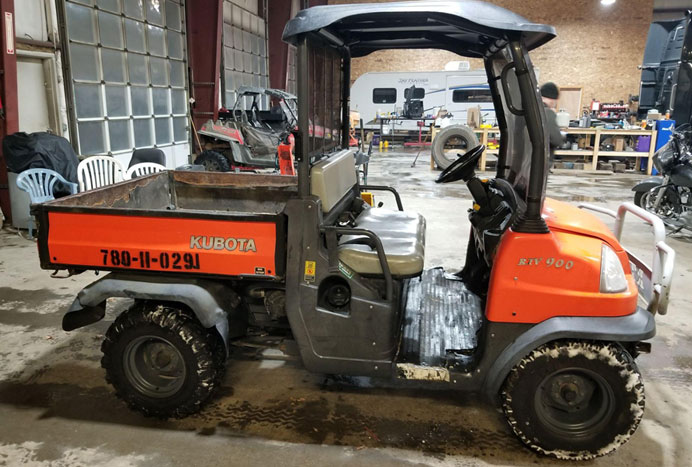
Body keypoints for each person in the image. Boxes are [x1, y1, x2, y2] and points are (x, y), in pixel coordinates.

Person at [540, 82, 565, 171]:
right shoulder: (548, 113)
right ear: (552, 100)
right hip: (541, 162)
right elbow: (556, 140)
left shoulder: (531, 108)